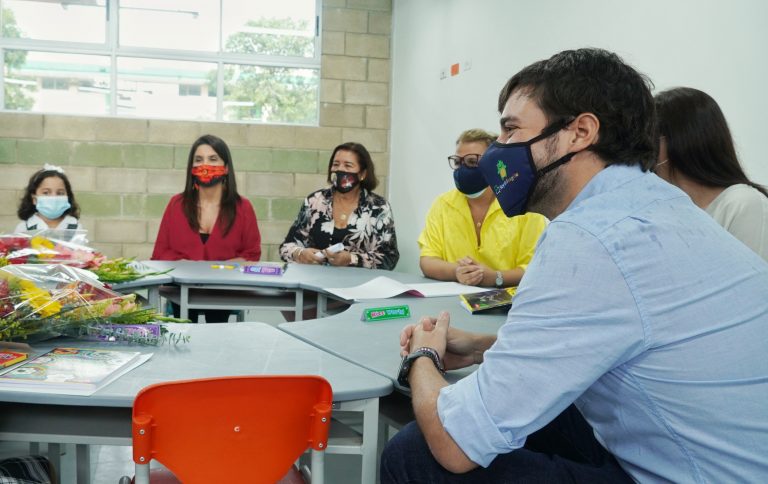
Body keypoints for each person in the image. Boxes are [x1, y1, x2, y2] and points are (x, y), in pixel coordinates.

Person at [382, 48, 768, 483]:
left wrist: (423, 357)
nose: (498, 151)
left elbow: (455, 446)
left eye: (510, 131)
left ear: (580, 131)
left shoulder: (591, 239)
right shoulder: (658, 208)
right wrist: (479, 348)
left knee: (418, 454)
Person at [152, 134, 261, 322]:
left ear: (226, 168)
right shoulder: (176, 204)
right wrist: (189, 266)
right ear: (191, 168)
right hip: (181, 290)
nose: (205, 165)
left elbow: (252, 254)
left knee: (216, 336)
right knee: (186, 336)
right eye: (198, 160)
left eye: (213, 159)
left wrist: (216, 269)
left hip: (224, 289)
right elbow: (160, 254)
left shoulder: (243, 207)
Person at [418, 129, 547, 287]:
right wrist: (457, 271)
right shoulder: (443, 204)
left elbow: (535, 268)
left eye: (472, 162)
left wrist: (496, 278)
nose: (463, 169)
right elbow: (427, 260)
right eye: (458, 162)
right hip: (454, 300)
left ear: (493, 164)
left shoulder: (524, 206)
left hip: (510, 304)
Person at [654, 87, 768, 260]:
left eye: (652, 138)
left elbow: (753, 284)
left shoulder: (744, 204)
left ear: (684, 140)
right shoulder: (671, 210)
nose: (645, 150)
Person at [279, 142, 399, 269]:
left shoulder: (378, 207)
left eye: (348, 165)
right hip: (314, 282)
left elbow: (389, 258)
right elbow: (286, 247)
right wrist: (300, 253)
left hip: (360, 285)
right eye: (336, 164)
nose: (340, 170)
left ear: (362, 174)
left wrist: (351, 259)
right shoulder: (315, 201)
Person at [15, 164, 82, 233]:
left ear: (67, 197)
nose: (54, 198)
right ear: (34, 199)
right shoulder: (24, 228)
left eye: (60, 193)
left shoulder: (75, 227)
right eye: (46, 193)